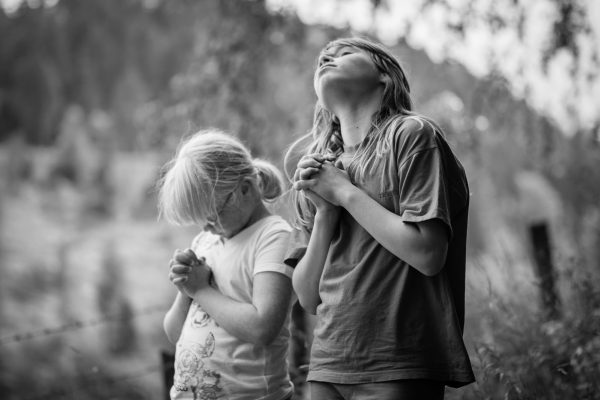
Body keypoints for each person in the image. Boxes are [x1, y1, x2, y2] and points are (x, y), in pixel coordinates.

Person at [285, 36, 475, 399]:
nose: (327, 56)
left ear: (385, 76)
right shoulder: (319, 169)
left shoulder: (412, 135)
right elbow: (308, 297)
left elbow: (428, 254)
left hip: (399, 364)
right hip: (326, 366)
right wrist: (326, 212)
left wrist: (345, 193)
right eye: (324, 57)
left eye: (345, 53)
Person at [158, 129, 295, 400]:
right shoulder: (205, 242)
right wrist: (185, 288)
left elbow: (262, 327)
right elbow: (175, 333)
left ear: (244, 189)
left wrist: (201, 290)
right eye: (200, 220)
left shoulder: (272, 236)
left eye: (212, 216)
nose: (206, 227)